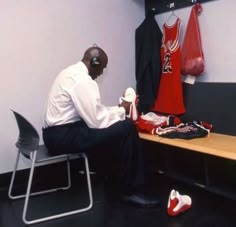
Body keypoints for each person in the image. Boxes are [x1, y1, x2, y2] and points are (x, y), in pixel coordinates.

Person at [42, 44, 160, 208]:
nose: (101, 73)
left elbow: (93, 113)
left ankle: (113, 183)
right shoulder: (82, 81)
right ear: (95, 63)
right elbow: (96, 120)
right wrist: (122, 110)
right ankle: (130, 192)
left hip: (55, 135)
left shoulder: (70, 73)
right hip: (62, 137)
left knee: (113, 130)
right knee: (127, 128)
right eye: (102, 68)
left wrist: (119, 109)